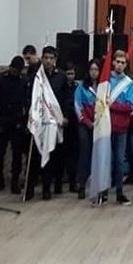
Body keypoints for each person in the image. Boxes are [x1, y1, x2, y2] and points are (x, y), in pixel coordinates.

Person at [24, 46, 70, 201]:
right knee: (34, 156)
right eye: (46, 58)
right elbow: (30, 97)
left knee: (51, 156)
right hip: (38, 121)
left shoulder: (61, 77)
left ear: (55, 60)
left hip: (53, 122)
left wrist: (65, 116)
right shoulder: (36, 76)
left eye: (51, 58)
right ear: (42, 58)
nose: (48, 61)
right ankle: (29, 188)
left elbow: (66, 98)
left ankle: (46, 188)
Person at [0, 56, 26, 194]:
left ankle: (15, 181)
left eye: (18, 70)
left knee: (17, 153)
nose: (15, 71)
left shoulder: (24, 81)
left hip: (17, 120)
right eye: (13, 69)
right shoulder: (1, 78)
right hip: (2, 118)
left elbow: (26, 101)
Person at [108, 50, 133, 206]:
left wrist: (113, 106)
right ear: (113, 62)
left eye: (122, 63)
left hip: (122, 127)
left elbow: (130, 106)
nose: (119, 65)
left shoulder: (129, 83)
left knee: (119, 160)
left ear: (126, 65)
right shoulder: (106, 79)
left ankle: (119, 192)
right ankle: (103, 191)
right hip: (106, 125)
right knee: (106, 158)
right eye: (117, 62)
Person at [74, 59, 101, 199]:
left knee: (98, 154)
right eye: (91, 69)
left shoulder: (103, 87)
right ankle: (81, 184)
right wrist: (88, 122)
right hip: (84, 125)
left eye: (96, 69)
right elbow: (77, 107)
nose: (94, 72)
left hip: (99, 125)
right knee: (84, 152)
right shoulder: (81, 87)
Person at [54, 63, 80, 194]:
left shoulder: (77, 87)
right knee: (59, 156)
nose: (70, 76)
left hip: (73, 124)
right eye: (68, 73)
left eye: (72, 74)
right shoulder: (59, 87)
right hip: (60, 124)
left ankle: (72, 182)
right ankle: (57, 183)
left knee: (73, 156)